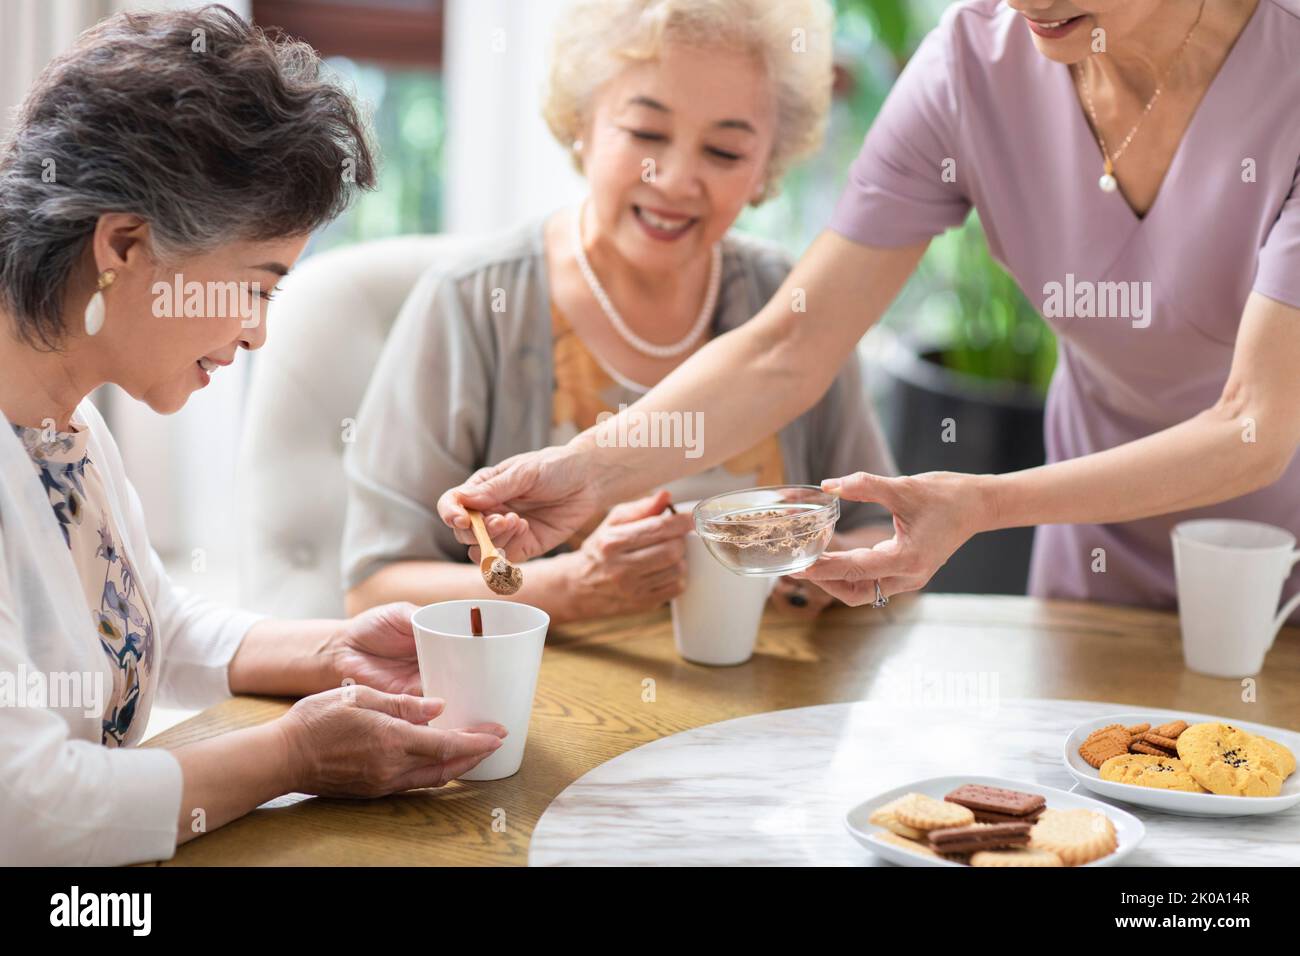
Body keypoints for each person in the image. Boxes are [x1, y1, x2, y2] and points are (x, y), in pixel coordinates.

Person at [437, 0, 1300, 617]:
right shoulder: (974, 68)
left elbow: (1253, 425)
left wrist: (985, 504)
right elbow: (793, 341)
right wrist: (585, 472)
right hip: (1099, 540)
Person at [0, 5, 504, 866]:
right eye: (258, 286)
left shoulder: (63, 427)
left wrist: (327, 651)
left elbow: (149, 618)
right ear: (123, 243)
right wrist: (292, 756)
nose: (258, 334)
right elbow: (25, 806)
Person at [342, 0, 895, 625]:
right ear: (581, 122)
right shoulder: (473, 302)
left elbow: (880, 531)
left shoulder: (793, 308)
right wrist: (576, 585)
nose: (677, 179)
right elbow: (374, 587)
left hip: (770, 702)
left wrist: (811, 571)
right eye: (647, 135)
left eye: (725, 151)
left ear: (768, 165)